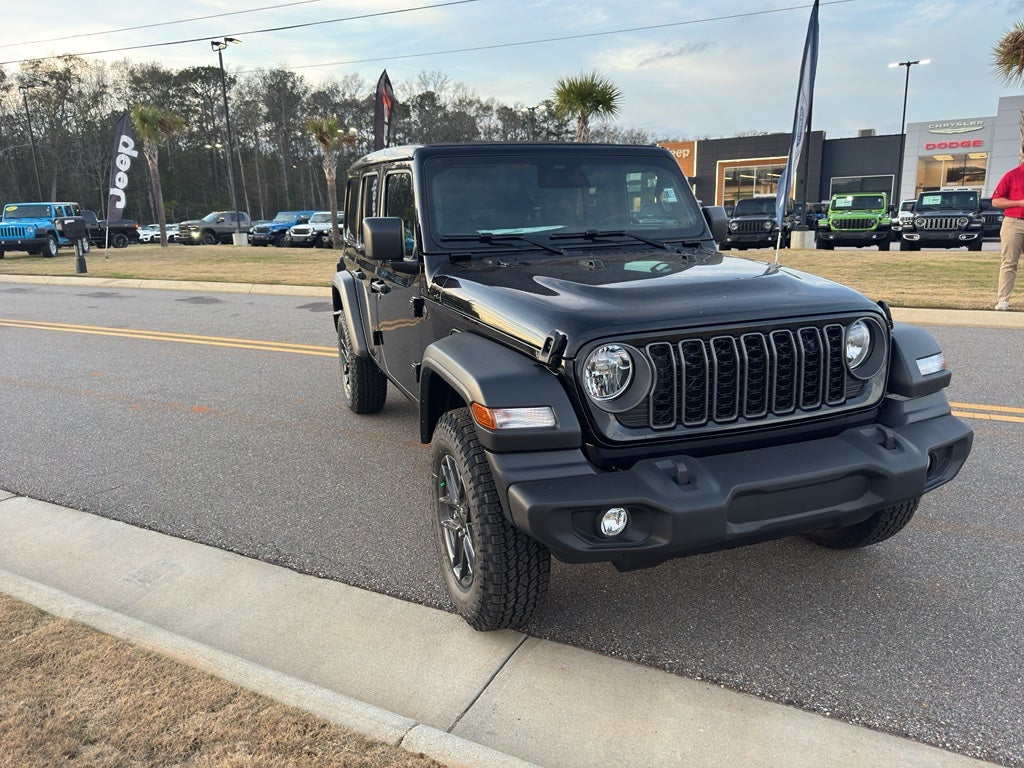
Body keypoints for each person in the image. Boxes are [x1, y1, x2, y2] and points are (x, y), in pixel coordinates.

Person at [991, 156, 1024, 310]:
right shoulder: (1012, 175)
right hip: (1013, 222)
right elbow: (996, 201)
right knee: (1009, 262)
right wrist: (1018, 203)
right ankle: (1003, 300)